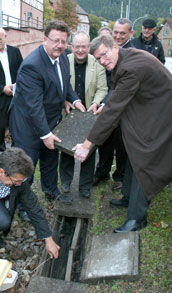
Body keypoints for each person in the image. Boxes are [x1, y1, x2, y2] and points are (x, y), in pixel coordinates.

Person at [73, 34, 172, 233]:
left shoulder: (132, 67)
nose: (103, 61)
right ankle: (129, 196)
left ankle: (138, 218)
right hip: (153, 106)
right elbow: (116, 96)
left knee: (143, 157)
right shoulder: (126, 58)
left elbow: (113, 111)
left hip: (168, 111)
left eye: (104, 55)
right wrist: (107, 104)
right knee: (132, 147)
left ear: (115, 47)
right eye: (98, 59)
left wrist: (87, 145)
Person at [8, 20, 85, 204]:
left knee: (50, 159)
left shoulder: (63, 57)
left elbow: (64, 83)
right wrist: (45, 134)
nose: (60, 45)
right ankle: (23, 206)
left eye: (63, 41)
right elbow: (33, 107)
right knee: (26, 167)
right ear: (45, 39)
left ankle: (51, 191)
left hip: (50, 120)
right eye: (55, 40)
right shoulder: (32, 66)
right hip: (27, 126)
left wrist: (74, 99)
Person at [59, 32, 108, 198]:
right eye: (77, 46)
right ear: (71, 46)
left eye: (84, 46)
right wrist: (66, 100)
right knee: (66, 149)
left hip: (89, 113)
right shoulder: (64, 61)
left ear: (89, 47)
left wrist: (95, 103)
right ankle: (65, 182)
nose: (80, 50)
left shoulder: (97, 62)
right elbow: (60, 85)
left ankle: (85, 186)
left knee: (89, 151)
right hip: (70, 112)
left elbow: (103, 88)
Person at [93, 18, 133, 190]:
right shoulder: (104, 52)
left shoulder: (132, 52)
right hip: (107, 100)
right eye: (115, 32)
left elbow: (121, 87)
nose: (118, 35)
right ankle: (102, 172)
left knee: (122, 143)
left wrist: (107, 102)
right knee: (104, 142)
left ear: (130, 34)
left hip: (124, 107)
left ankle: (120, 176)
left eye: (122, 33)